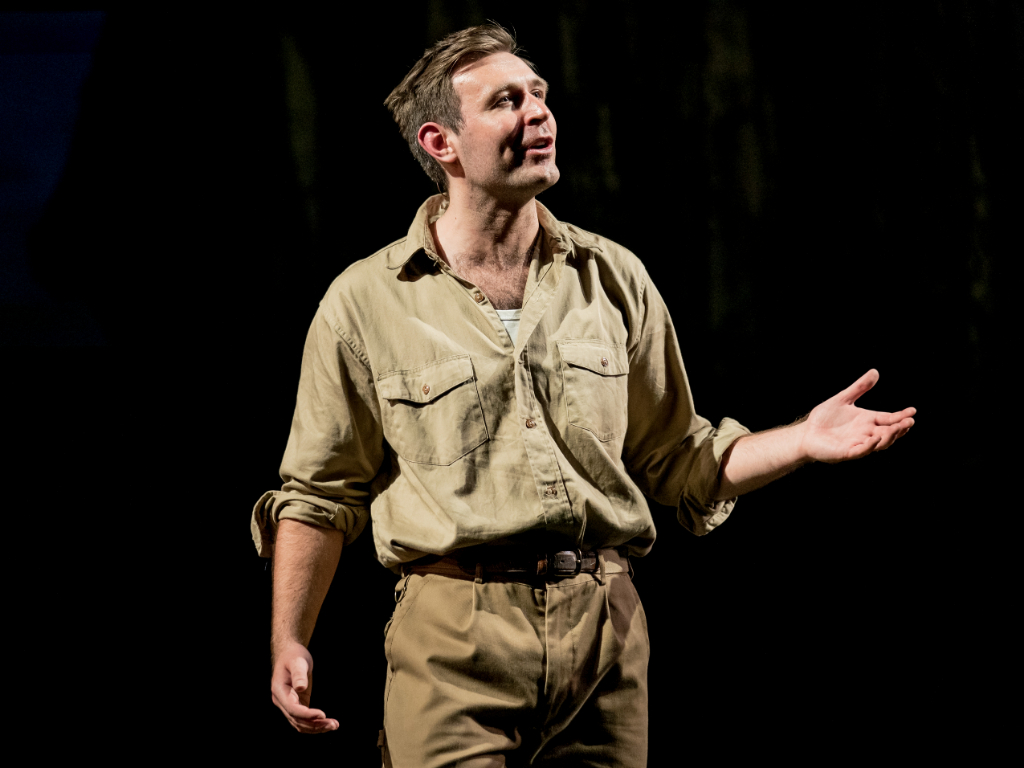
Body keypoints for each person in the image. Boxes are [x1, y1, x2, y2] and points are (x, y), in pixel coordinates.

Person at [251, 23, 915, 766]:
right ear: (441, 143)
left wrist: (801, 441)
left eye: (538, 94)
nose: (538, 112)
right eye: (505, 101)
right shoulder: (366, 301)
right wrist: (290, 639)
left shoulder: (614, 278)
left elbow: (680, 458)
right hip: (453, 638)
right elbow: (319, 493)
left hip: (606, 634)